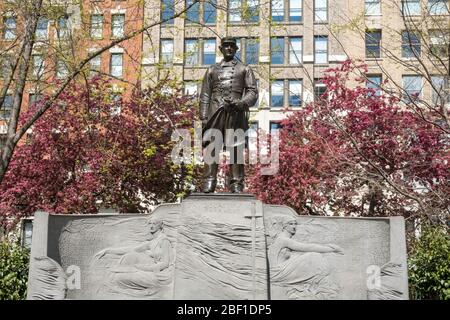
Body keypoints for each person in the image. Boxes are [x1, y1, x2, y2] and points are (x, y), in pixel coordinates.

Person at [199, 36, 258, 193]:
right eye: (226, 46)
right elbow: (205, 95)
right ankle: (209, 181)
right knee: (212, 146)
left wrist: (242, 103)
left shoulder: (244, 69)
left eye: (232, 46)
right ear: (221, 49)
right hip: (215, 112)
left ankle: (236, 183)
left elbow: (252, 91)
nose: (229, 49)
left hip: (236, 113)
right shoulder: (211, 70)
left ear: (236, 49)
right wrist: (204, 118)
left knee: (236, 148)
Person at [267, 216, 344, 300]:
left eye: (295, 224)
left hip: (282, 270)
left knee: (311, 259)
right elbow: (307, 247)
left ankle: (319, 287)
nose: (294, 226)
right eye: (291, 224)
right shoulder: (283, 240)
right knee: (313, 256)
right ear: (284, 226)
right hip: (278, 272)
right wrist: (331, 249)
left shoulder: (282, 239)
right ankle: (319, 288)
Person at [95, 218, 173, 298]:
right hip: (151, 270)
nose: (151, 226)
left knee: (119, 279)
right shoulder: (152, 242)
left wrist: (145, 268)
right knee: (129, 257)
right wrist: (108, 250)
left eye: (154, 224)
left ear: (160, 226)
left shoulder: (164, 241)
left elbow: (165, 263)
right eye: (150, 224)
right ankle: (116, 275)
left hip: (161, 274)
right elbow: (131, 249)